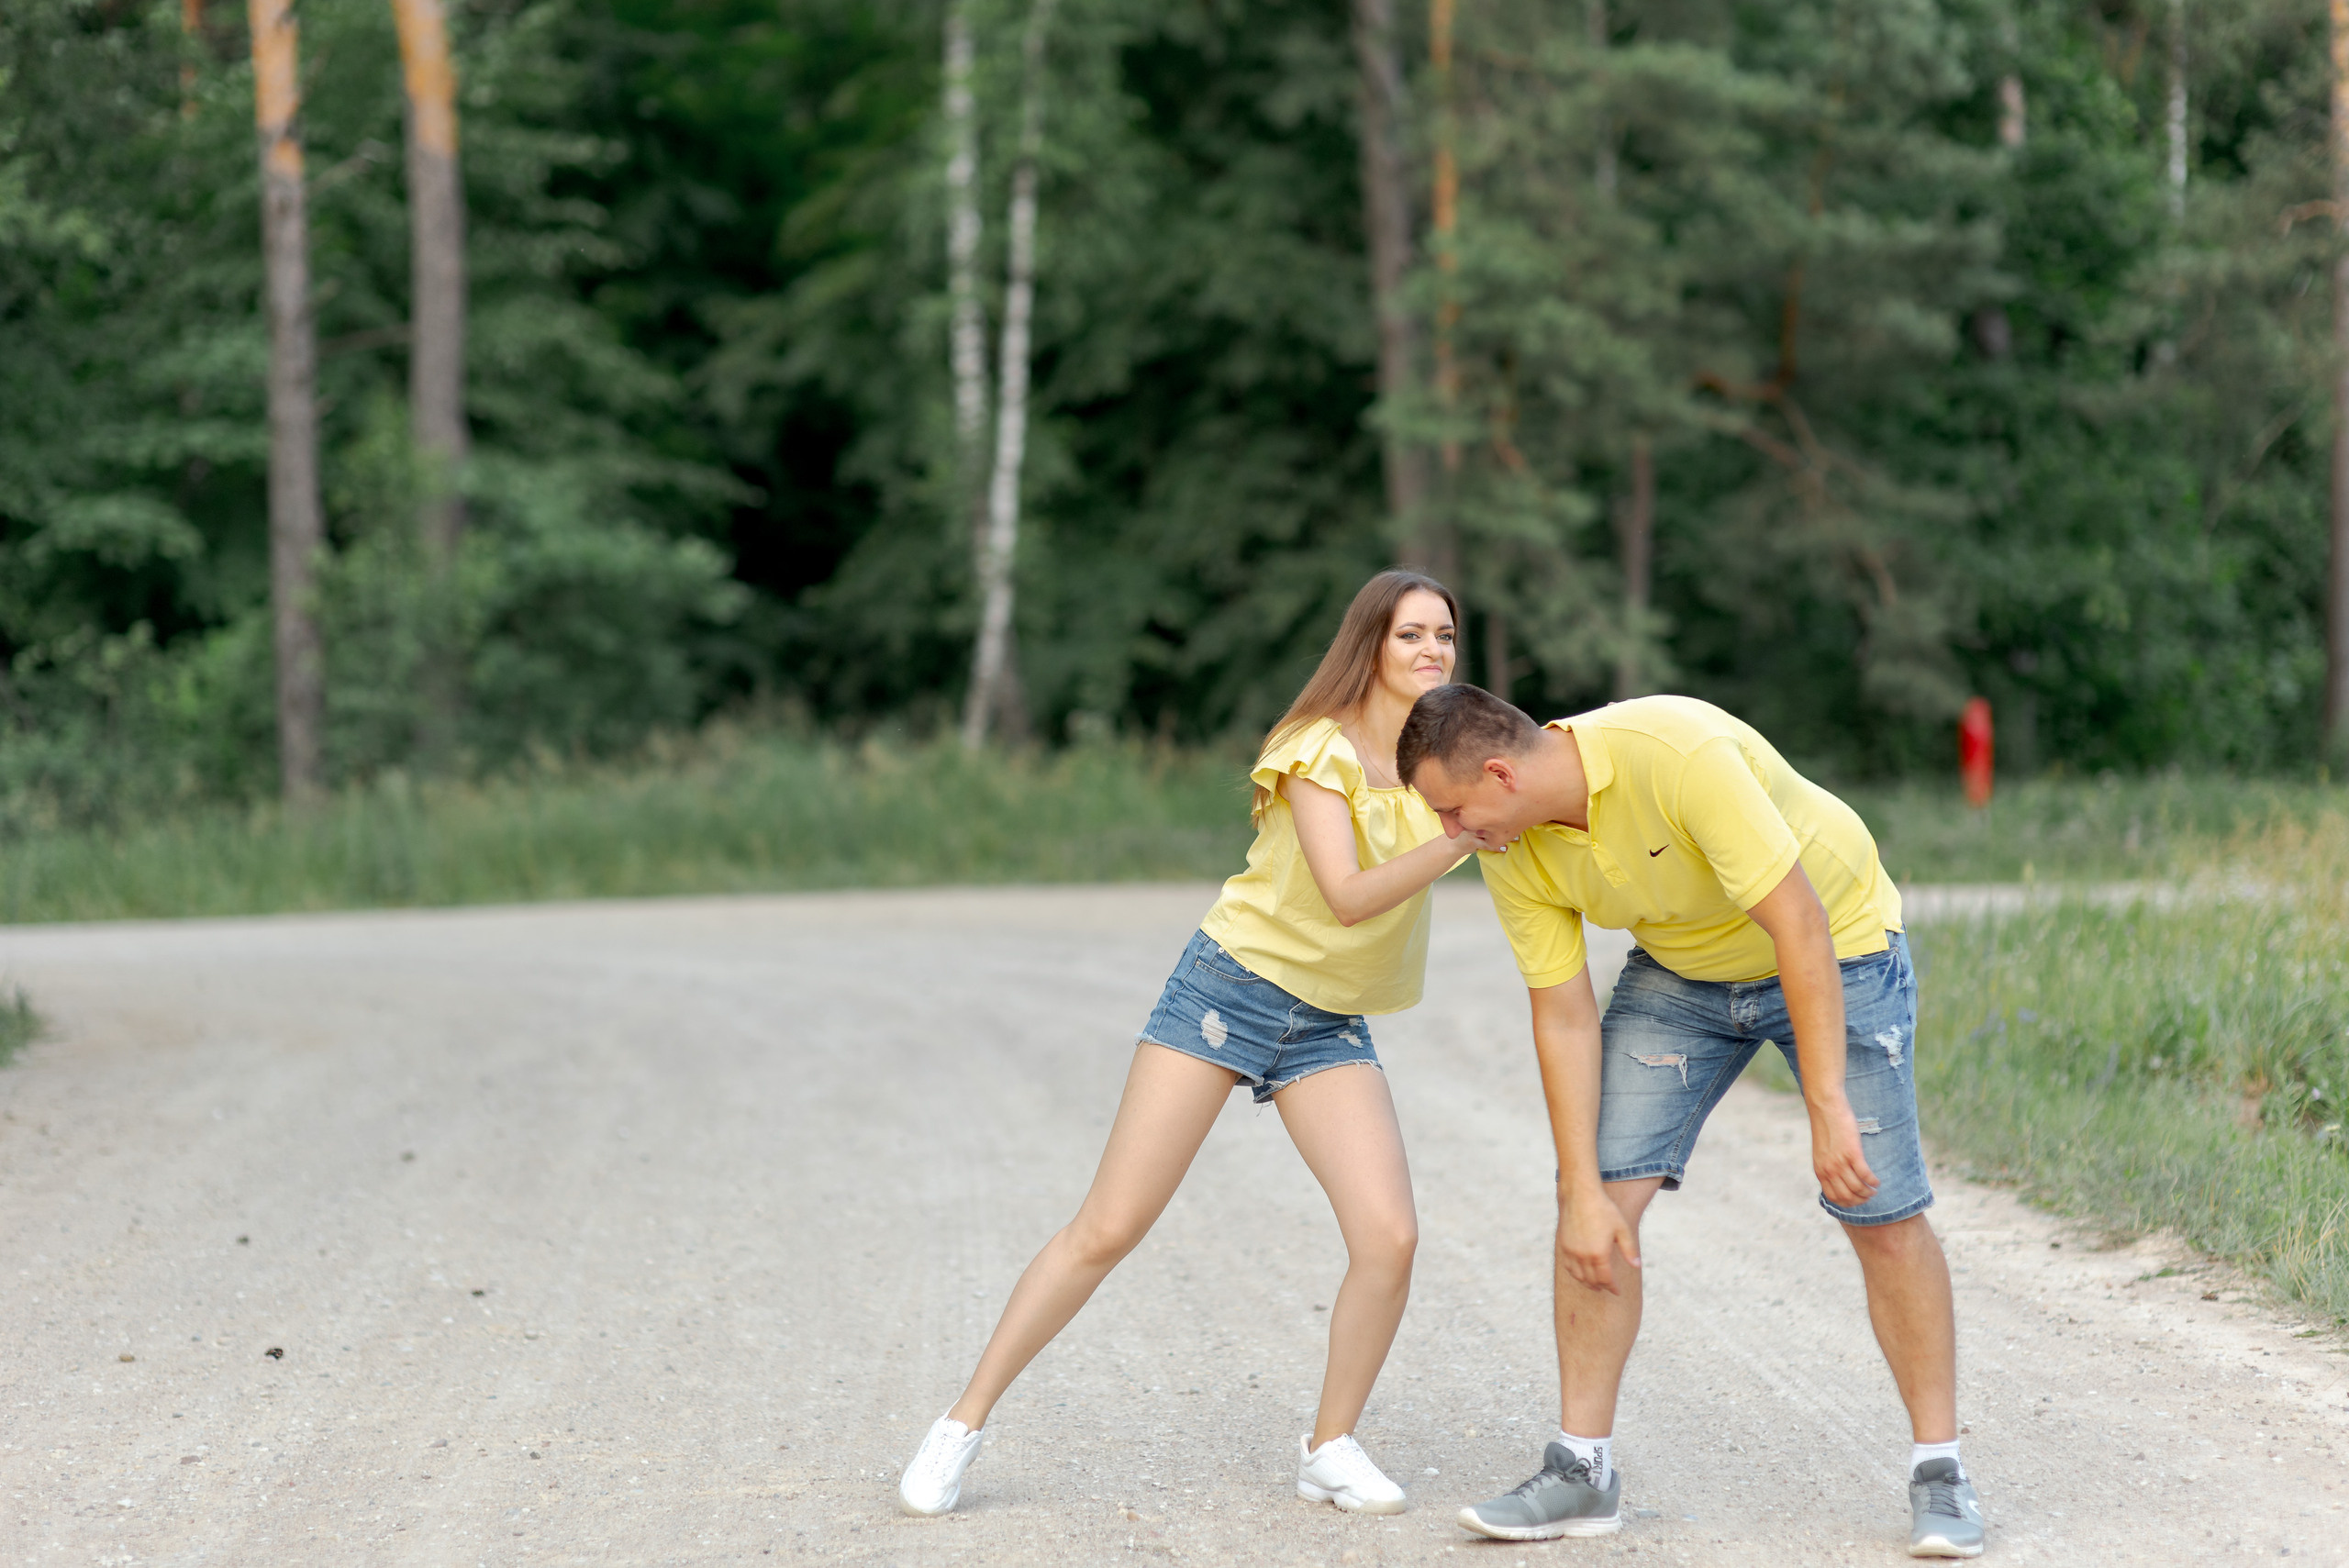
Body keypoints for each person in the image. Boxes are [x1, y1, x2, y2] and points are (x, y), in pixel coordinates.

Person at [898, 570, 1474, 1519]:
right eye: (1410, 633)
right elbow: (1344, 893)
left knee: (1390, 1235)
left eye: (1444, 636)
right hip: (1229, 989)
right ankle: (958, 1423)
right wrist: (1459, 839)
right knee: (1111, 1223)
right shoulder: (1311, 748)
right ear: (1369, 645)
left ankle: (1329, 1445)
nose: (1430, 651)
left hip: (1326, 1019)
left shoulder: (1434, 771)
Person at [1396, 686, 1984, 1559]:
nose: (1449, 829)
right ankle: (1580, 1471)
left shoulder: (1674, 751)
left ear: (1500, 772)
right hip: (1682, 977)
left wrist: (1825, 1107)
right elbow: (1561, 1014)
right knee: (1594, 1217)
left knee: (1880, 1207)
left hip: (1836, 945)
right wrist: (1577, 1192)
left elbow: (1799, 923)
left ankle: (1941, 1472)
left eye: (1451, 808)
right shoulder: (1509, 844)